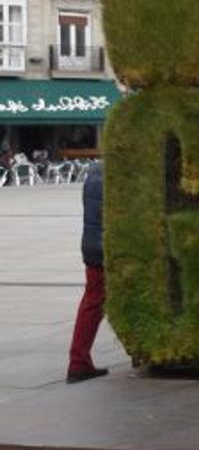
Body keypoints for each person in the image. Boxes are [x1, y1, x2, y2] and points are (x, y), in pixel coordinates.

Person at [66, 161, 109, 383]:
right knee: (95, 302)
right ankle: (78, 363)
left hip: (91, 244)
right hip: (108, 246)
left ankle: (79, 361)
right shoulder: (122, 174)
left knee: (92, 301)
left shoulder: (93, 172)